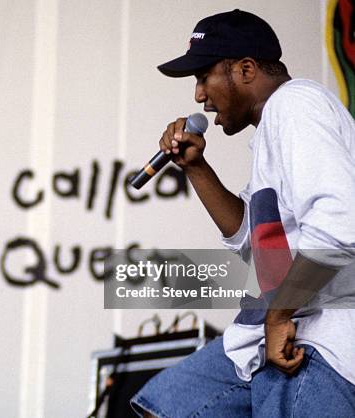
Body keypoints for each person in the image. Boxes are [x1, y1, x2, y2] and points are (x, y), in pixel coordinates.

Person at [130, 9, 355, 417]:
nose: (199, 95)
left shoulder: (296, 105)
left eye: (203, 77)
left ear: (246, 69)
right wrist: (197, 168)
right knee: (166, 406)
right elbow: (253, 244)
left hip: (320, 338)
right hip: (273, 330)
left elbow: (341, 220)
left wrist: (280, 314)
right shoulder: (274, 130)